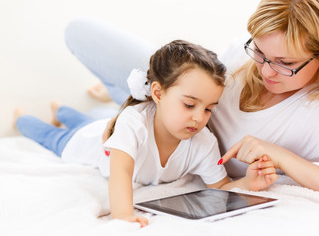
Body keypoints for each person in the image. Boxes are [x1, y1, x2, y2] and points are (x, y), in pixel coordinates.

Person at [63, 0, 319, 204]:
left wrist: (282, 156)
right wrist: (130, 109)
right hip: (170, 114)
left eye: (284, 62)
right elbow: (180, 89)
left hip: (182, 142)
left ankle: (105, 97)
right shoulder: (236, 60)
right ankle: (116, 95)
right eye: (259, 52)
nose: (266, 70)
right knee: (79, 32)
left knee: (96, 117)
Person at [14, 40, 278, 226]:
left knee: (82, 118)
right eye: (189, 104)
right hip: (84, 143)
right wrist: (123, 215)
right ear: (158, 92)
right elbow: (121, 172)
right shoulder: (134, 121)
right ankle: (25, 117)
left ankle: (61, 110)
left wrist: (248, 184)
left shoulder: (203, 142)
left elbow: (219, 187)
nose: (199, 118)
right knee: (52, 135)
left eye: (209, 109)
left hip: (100, 127)